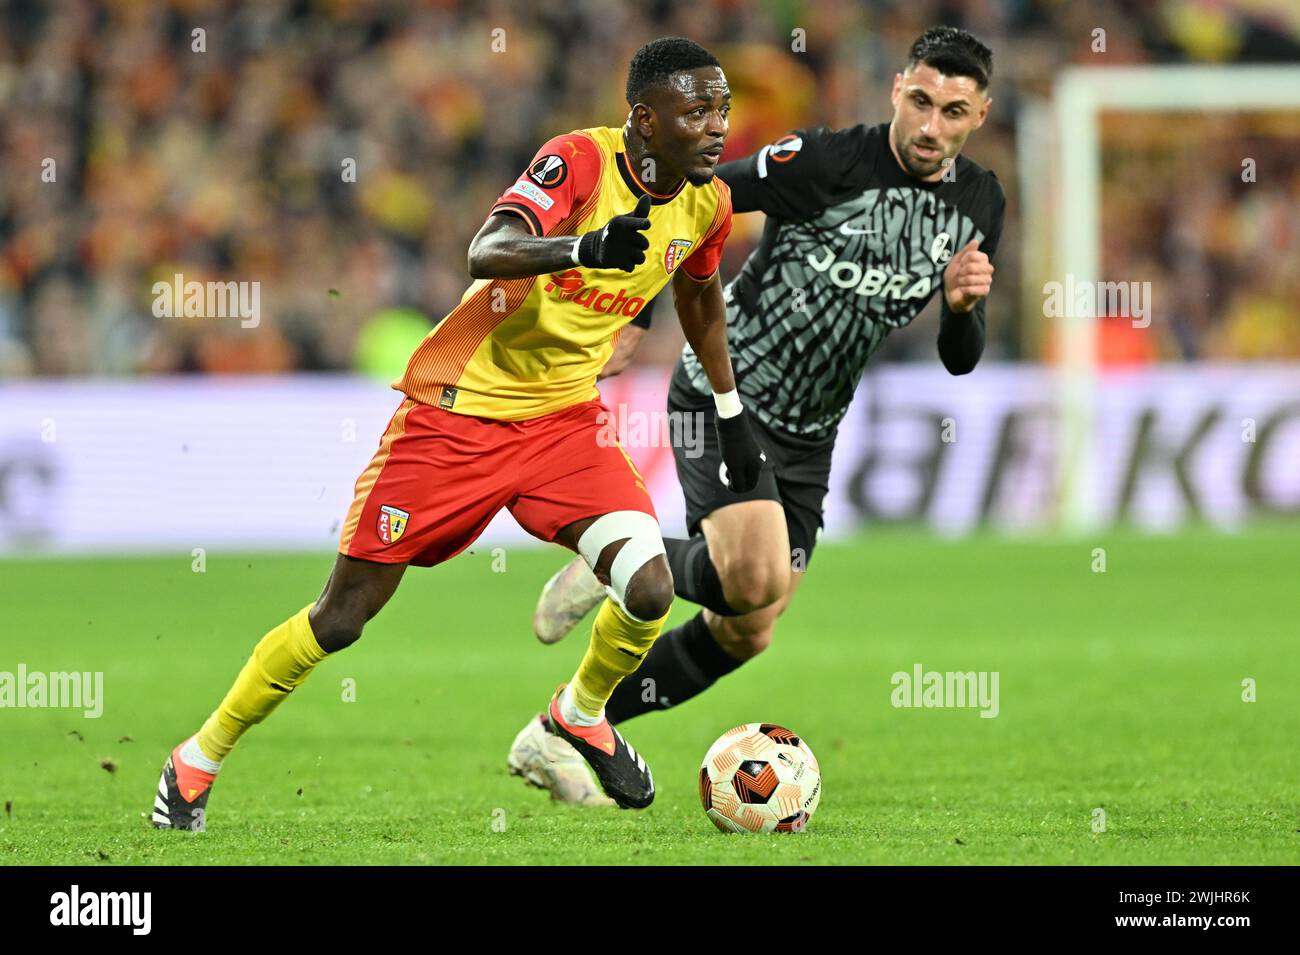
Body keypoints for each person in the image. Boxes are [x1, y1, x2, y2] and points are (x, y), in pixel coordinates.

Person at [151, 36, 766, 829]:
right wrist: (582, 246)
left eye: (722, 109)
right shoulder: (578, 162)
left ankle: (576, 715)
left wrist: (728, 409)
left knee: (649, 588)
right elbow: (487, 250)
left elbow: (700, 300)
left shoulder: (708, 202)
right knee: (341, 616)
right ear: (645, 120)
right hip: (455, 414)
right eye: (697, 111)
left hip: (562, 420)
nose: (718, 127)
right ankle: (195, 759)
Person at [510, 26, 1005, 805]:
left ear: (979, 115)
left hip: (812, 430)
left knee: (749, 626)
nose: (930, 125)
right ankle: (635, 560)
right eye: (919, 101)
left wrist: (962, 309)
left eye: (952, 111)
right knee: (756, 575)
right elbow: (694, 197)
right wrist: (636, 306)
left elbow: (960, 357)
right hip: (726, 389)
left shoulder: (980, 202)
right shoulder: (823, 162)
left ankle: (571, 720)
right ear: (896, 92)